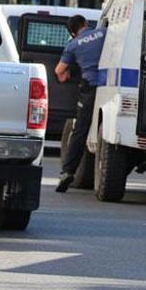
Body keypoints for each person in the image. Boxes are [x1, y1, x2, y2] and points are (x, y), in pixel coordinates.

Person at [55, 15, 106, 193]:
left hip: (90, 89)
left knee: (80, 131)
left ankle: (68, 172)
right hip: (110, 87)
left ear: (72, 32)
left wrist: (70, 75)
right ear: (85, 23)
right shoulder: (104, 32)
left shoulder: (73, 45)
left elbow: (59, 72)